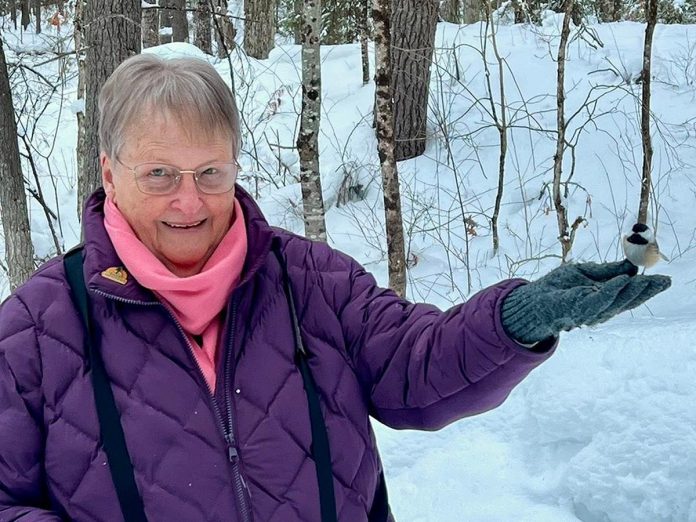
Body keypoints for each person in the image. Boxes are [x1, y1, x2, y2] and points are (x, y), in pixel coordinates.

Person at [0, 53, 670, 522]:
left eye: (210, 172)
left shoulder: (310, 282)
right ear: (109, 172)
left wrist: (516, 319)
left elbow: (415, 365)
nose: (189, 202)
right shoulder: (38, 329)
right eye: (159, 175)